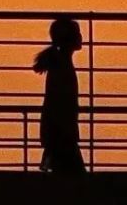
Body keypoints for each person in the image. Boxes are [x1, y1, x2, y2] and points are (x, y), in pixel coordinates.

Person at [32, 17, 86, 174]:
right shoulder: (62, 66)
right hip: (62, 135)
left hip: (58, 134)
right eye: (77, 33)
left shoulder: (60, 62)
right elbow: (60, 103)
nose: (81, 37)